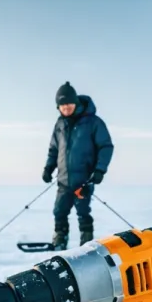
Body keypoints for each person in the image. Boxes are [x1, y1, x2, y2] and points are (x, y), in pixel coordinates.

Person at [42, 82, 114, 250]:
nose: (66, 107)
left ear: (75, 103)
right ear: (58, 107)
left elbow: (106, 146)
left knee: (83, 212)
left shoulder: (93, 122)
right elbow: (54, 149)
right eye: (62, 105)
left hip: (84, 180)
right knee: (59, 212)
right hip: (63, 180)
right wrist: (48, 168)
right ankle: (60, 239)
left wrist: (99, 170)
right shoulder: (59, 124)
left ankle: (86, 243)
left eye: (68, 103)